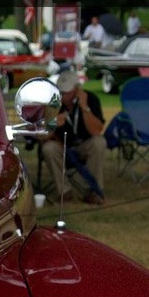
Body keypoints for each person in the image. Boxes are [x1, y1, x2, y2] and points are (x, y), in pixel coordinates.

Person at [41, 69, 107, 204]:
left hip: (85, 144)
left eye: (67, 92)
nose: (63, 95)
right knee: (48, 148)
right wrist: (53, 124)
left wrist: (84, 108)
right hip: (63, 147)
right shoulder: (53, 103)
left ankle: (94, 190)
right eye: (61, 91)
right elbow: (41, 137)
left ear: (77, 89)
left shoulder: (91, 99)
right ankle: (64, 191)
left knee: (99, 142)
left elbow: (96, 131)